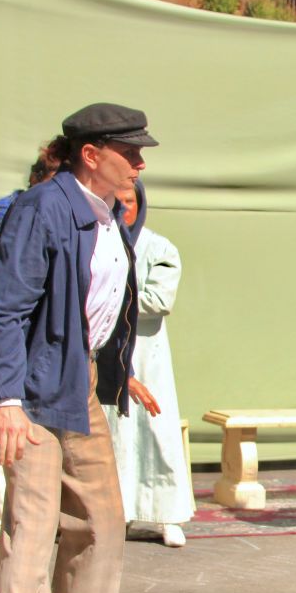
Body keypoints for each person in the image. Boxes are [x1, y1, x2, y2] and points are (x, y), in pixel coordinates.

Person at [0, 102, 160, 593]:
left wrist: (118, 373)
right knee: (30, 526)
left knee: (102, 518)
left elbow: (98, 305)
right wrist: (6, 400)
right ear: (91, 155)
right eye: (130, 151)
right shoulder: (42, 209)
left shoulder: (104, 213)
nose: (140, 162)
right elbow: (4, 309)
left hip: (79, 381)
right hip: (31, 389)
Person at [0, 147, 62, 545]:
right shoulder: (11, 215)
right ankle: (4, 523)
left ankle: (35, 521)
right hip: (14, 349)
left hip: (49, 353)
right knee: (11, 440)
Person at [105, 181, 195, 548]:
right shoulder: (99, 243)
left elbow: (159, 300)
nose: (124, 208)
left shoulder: (159, 247)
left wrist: (109, 299)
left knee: (156, 434)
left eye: (130, 201)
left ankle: (168, 516)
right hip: (107, 349)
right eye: (117, 201)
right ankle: (119, 513)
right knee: (113, 435)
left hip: (146, 353)